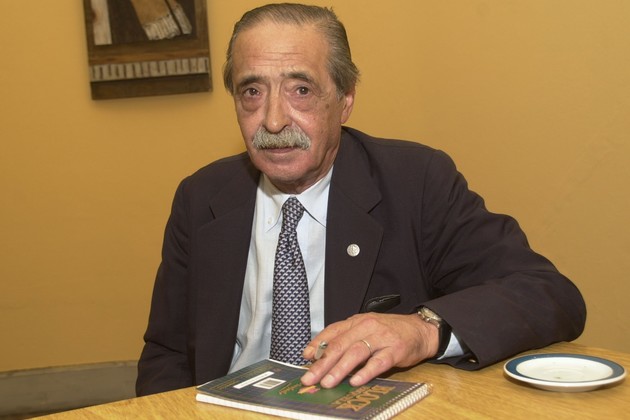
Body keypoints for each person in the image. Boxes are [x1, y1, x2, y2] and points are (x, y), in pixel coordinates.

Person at [136, 3, 586, 396]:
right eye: (252, 92)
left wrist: (422, 329)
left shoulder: (416, 182)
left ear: (345, 99)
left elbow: (548, 294)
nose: (272, 120)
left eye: (301, 90)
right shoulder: (201, 197)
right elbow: (167, 354)